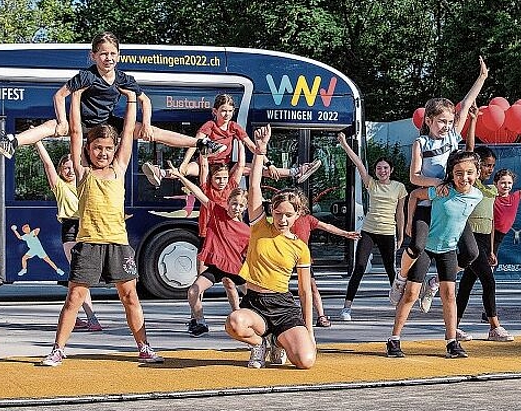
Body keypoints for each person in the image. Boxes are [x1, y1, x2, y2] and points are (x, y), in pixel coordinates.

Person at [40, 84, 164, 366]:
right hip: (89, 243)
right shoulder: (83, 171)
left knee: (130, 296)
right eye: (98, 148)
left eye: (108, 148)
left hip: (118, 244)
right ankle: (58, 349)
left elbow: (130, 133)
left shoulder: (119, 168)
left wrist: (131, 98)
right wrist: (77, 97)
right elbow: (74, 132)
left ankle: (144, 346)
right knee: (75, 298)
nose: (104, 153)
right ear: (89, 149)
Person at [0, 32, 225, 159]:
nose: (108, 58)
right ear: (93, 56)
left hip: (108, 122)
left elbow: (146, 100)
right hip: (83, 121)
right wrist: (62, 121)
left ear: (119, 55)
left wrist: (149, 125)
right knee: (50, 125)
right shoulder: (86, 76)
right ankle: (12, 142)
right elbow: (59, 96)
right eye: (102, 54)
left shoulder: (124, 79)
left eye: (112, 54)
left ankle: (200, 144)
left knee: (149, 132)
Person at [390, 58, 487, 311]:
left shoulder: (454, 136)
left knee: (470, 254)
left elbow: (466, 104)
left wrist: (482, 78)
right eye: (441, 121)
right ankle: (400, 279)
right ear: (430, 121)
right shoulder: (420, 144)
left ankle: (433, 282)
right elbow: (414, 177)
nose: (446, 125)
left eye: (449, 121)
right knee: (418, 245)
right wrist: (438, 182)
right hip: (429, 201)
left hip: (451, 204)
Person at [224, 125, 316, 369]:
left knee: (305, 362)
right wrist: (260, 151)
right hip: (255, 303)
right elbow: (254, 187)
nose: (282, 219)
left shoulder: (299, 248)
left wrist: (310, 330)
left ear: (298, 215)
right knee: (234, 322)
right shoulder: (259, 226)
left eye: (288, 215)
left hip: (283, 307)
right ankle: (259, 344)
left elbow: (305, 293)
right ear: (271, 212)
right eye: (277, 213)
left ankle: (277, 340)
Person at [388, 151, 483, 359]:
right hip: (427, 247)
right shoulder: (442, 191)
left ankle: (452, 342)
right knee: (411, 294)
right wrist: (411, 224)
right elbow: (414, 195)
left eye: (469, 173)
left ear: (478, 173)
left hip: (448, 249)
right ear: (450, 173)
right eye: (458, 173)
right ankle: (394, 340)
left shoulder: (478, 196)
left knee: (449, 295)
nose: (464, 177)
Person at [141, 93, 321, 186]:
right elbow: (193, 144)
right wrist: (184, 163)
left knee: (255, 169)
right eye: (223, 111)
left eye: (229, 111)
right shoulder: (209, 126)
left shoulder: (235, 127)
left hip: (225, 168)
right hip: (206, 164)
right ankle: (161, 173)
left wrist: (269, 163)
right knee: (187, 169)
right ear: (215, 112)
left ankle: (296, 171)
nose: (226, 115)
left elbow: (252, 146)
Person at [165, 161, 249, 338]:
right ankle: (200, 322)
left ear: (245, 208)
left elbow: (253, 254)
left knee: (254, 296)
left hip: (236, 268)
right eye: (234, 204)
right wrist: (180, 176)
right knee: (193, 290)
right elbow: (199, 193)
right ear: (228, 202)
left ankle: (250, 321)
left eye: (241, 206)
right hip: (216, 266)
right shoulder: (217, 211)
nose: (236, 208)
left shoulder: (246, 231)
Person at [337, 132, 407, 320]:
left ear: (391, 170)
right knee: (359, 267)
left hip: (387, 231)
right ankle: (346, 308)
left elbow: (400, 213)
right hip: (368, 231)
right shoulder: (371, 183)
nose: (382, 171)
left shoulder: (399, 187)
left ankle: (400, 307)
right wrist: (344, 144)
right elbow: (359, 164)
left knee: (390, 269)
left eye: (385, 168)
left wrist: (400, 236)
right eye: (378, 168)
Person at [34, 141, 101, 331]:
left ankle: (89, 318)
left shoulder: (86, 182)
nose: (70, 171)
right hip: (71, 228)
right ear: (61, 171)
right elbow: (47, 165)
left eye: (72, 167)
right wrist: (39, 143)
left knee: (79, 276)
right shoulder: (60, 186)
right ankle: (82, 316)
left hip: (87, 227)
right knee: (78, 275)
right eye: (65, 168)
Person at [453, 146, 513, 341]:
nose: (490, 169)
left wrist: (492, 249)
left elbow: (493, 220)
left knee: (466, 286)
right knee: (488, 280)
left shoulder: (491, 190)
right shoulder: (474, 184)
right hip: (471, 237)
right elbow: (470, 149)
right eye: (487, 165)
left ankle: (453, 326)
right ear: (478, 166)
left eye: (493, 166)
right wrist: (473, 120)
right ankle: (494, 326)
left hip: (486, 240)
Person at [290, 193, 361, 327]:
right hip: (284, 256)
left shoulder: (307, 219)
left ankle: (321, 316)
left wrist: (345, 233)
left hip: (303, 258)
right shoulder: (284, 219)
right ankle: (290, 316)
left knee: (312, 288)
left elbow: (327, 226)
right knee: (281, 287)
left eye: (297, 205)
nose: (295, 208)